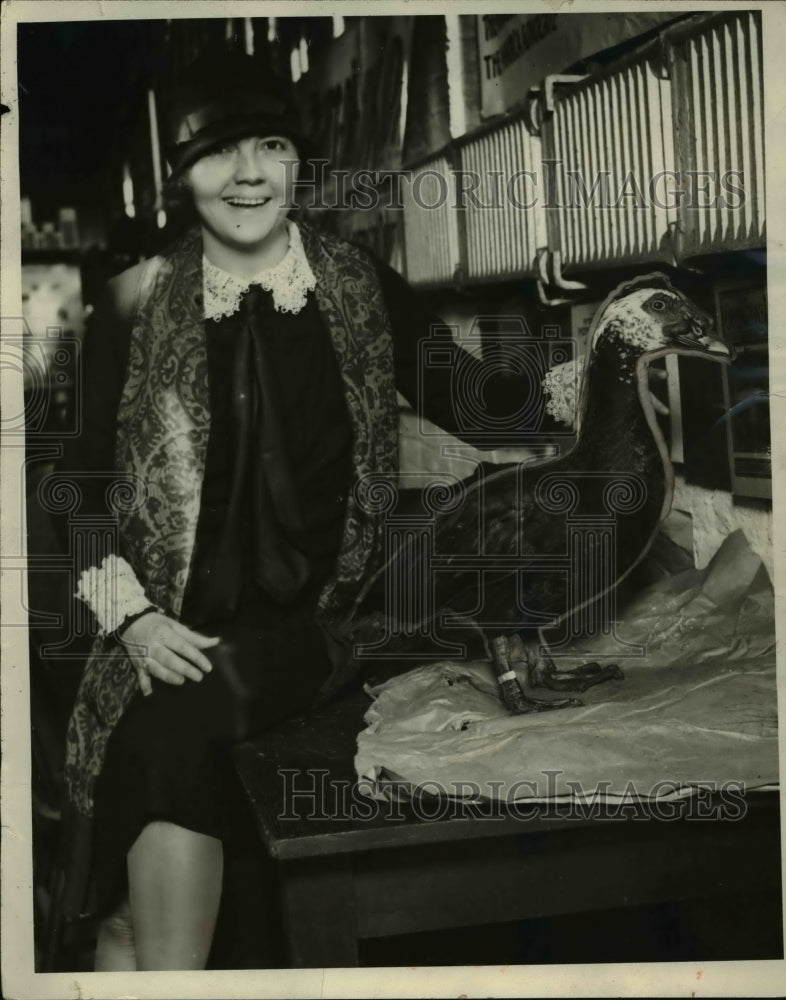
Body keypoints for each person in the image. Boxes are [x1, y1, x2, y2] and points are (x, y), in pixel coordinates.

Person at [52, 49, 543, 971]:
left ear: (296, 164)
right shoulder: (125, 307)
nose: (247, 175)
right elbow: (69, 494)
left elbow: (476, 400)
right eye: (220, 154)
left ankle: (170, 981)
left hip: (316, 623)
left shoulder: (358, 287)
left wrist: (596, 371)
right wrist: (134, 619)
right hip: (159, 628)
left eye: (269, 146)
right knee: (113, 842)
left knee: (167, 737)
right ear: (181, 180)